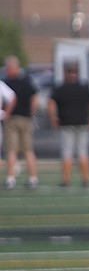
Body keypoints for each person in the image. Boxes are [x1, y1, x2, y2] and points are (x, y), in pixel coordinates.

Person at [47, 61, 89, 188]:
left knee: (67, 152)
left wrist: (53, 118)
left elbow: (51, 103)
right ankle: (85, 179)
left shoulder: (60, 87)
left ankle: (66, 180)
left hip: (66, 123)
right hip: (82, 123)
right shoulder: (84, 87)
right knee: (83, 152)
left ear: (65, 73)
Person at [3, 56, 39, 190]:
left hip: (13, 119)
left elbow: (12, 99)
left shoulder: (6, 82)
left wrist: (6, 113)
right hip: (25, 118)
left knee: (15, 150)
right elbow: (35, 99)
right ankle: (31, 177)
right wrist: (31, 113)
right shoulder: (27, 81)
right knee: (25, 149)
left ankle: (13, 178)